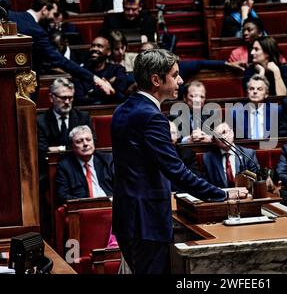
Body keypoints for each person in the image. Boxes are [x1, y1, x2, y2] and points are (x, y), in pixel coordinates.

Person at [111, 49, 237, 274]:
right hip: (146, 222)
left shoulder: (122, 109)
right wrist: (222, 194)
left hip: (127, 217)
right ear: (156, 80)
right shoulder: (152, 117)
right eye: (175, 74)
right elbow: (176, 170)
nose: (180, 80)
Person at [8, 0, 114, 95]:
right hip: (22, 90)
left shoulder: (11, 16)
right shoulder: (37, 32)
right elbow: (61, 61)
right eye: (54, 14)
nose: (54, 19)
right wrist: (95, 79)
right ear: (44, 10)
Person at [56, 125, 114, 204]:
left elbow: (121, 185)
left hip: (110, 205)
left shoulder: (107, 160)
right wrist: (86, 204)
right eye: (79, 141)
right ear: (72, 146)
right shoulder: (65, 166)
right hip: (84, 210)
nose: (85, 144)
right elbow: (62, 195)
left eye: (88, 139)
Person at [37, 77, 94, 156]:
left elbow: (91, 144)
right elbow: (42, 149)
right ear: (51, 98)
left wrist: (60, 149)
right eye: (63, 98)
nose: (67, 102)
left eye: (70, 98)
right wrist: (74, 147)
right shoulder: (40, 121)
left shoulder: (83, 117)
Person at [203, 122, 259, 188]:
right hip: (222, 196)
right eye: (218, 135)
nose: (223, 137)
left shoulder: (248, 154)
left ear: (232, 133)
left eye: (224, 132)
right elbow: (207, 184)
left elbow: (255, 179)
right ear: (214, 140)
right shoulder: (209, 158)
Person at [74, 36, 128, 105]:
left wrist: (90, 94)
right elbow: (79, 100)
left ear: (108, 52)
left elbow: (120, 97)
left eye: (100, 46)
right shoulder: (81, 72)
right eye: (93, 46)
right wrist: (106, 92)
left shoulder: (117, 70)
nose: (94, 49)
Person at [232, 74, 278, 139]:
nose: (255, 91)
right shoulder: (236, 112)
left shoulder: (276, 111)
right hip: (245, 148)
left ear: (266, 94)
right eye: (252, 89)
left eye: (259, 89)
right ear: (247, 93)